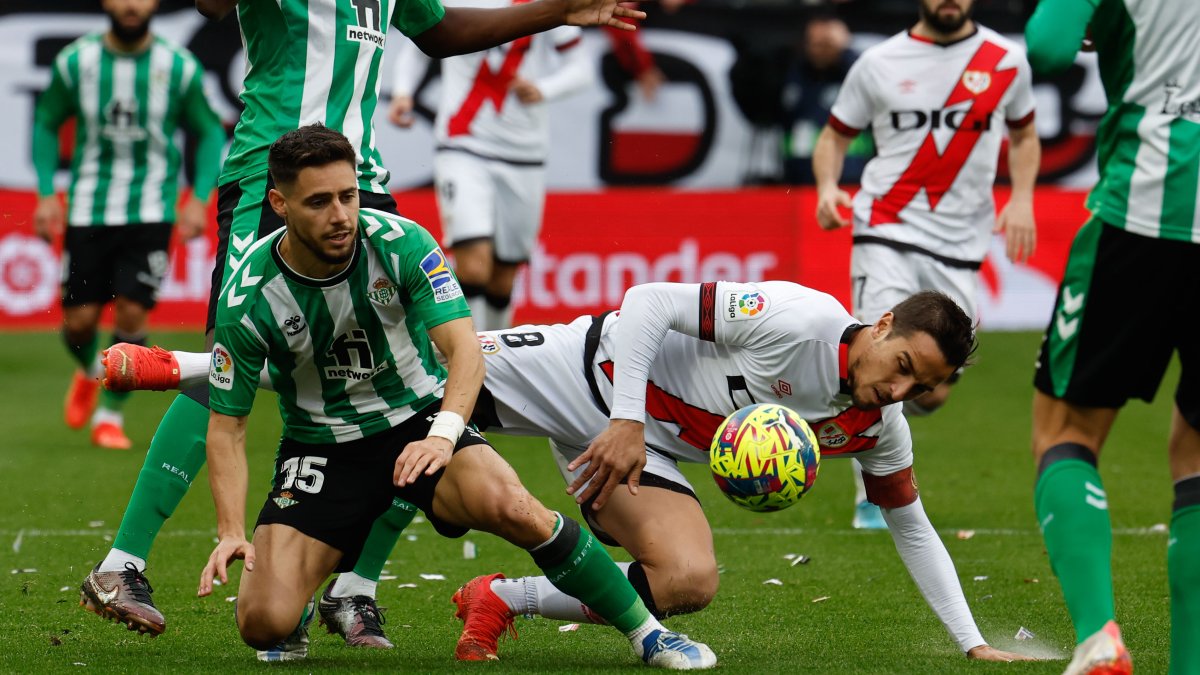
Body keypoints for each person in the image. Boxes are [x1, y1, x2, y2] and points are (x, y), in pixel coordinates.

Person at [78, 0, 652, 647]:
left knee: (410, 379)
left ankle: (355, 585)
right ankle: (122, 563)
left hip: (359, 177)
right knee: (227, 367)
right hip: (276, 176)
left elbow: (438, 31)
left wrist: (555, 11)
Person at [115, 281, 1032, 663]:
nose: (899, 388)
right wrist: (625, 415)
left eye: (920, 384)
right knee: (400, 385)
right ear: (880, 324)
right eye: (900, 364)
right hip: (583, 371)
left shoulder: (876, 425)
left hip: (647, 447)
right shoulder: (796, 317)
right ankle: (190, 366)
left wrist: (970, 642)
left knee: (691, 578)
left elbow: (912, 523)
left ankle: (502, 596)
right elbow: (648, 302)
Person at [193, 124, 715, 668]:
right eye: (319, 202)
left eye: (348, 195)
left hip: (417, 418)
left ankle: (650, 635)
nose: (341, 215)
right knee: (263, 623)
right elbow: (227, 428)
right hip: (322, 447)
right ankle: (302, 589)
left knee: (516, 508)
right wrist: (230, 532)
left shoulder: (402, 244)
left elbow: (466, 351)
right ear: (279, 204)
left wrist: (443, 436)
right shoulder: (248, 296)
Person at [811, 0, 1040, 530]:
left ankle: (844, 414)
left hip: (960, 244)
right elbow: (834, 135)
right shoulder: (879, 62)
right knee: (883, 356)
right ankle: (874, 496)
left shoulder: (1006, 60)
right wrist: (826, 186)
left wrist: (1023, 198)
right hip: (885, 229)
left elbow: (1025, 135)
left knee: (932, 391)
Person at [1024, 1, 1200, 673]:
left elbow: (1048, 46)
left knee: (1064, 428)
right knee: (1196, 453)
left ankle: (1099, 636)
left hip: (1144, 209)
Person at [31, 0, 224, 450]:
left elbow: (209, 130)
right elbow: (46, 122)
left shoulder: (177, 66)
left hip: (152, 210)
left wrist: (199, 199)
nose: (131, 4)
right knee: (79, 323)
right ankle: (89, 372)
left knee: (133, 312)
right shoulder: (76, 61)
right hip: (89, 209)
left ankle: (109, 416)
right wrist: (45, 192)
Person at [388, 1, 594, 331]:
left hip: (524, 153)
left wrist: (543, 89)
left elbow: (582, 68)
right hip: (462, 146)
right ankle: (467, 350)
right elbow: (418, 46)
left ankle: (497, 351)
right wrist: (403, 92)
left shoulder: (542, 4)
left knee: (502, 278)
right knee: (473, 266)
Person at [780, 13, 871, 185]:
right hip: (797, 179)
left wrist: (845, 51)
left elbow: (867, 80)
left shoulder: (852, 72)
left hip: (848, 178)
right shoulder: (794, 74)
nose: (821, 50)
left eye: (827, 44)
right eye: (815, 44)